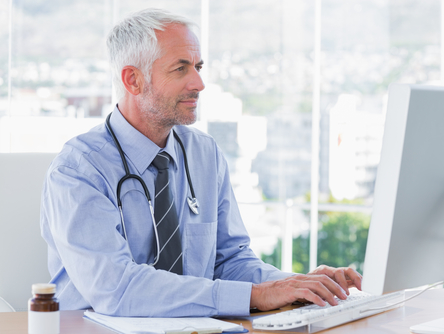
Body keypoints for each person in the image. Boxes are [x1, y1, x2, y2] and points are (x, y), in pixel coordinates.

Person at [40, 8, 362, 317]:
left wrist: (298, 286)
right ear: (133, 80)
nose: (199, 83)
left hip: (194, 327)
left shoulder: (204, 154)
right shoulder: (78, 171)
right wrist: (257, 295)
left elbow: (230, 263)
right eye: (181, 69)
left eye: (198, 67)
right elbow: (117, 289)